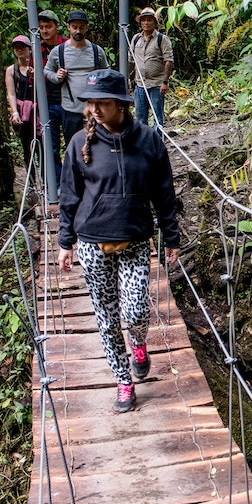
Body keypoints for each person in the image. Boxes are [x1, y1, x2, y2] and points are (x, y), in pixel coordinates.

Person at [57, 69, 181, 413]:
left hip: (136, 240)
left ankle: (139, 342)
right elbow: (69, 194)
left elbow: (164, 193)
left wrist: (171, 236)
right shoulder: (81, 142)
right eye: (91, 103)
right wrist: (65, 242)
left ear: (122, 105)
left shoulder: (148, 139)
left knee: (136, 309)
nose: (94, 109)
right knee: (107, 317)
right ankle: (123, 381)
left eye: (103, 103)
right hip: (93, 241)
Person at [44, 9, 110, 156]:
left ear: (86, 27)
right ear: (68, 27)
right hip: (70, 109)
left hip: (94, 109)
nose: (78, 31)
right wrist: (57, 76)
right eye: (74, 27)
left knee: (97, 145)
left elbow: (106, 71)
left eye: (81, 27)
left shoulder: (96, 51)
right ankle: (75, 176)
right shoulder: (58, 51)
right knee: (72, 146)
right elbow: (47, 70)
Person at [130, 7, 174, 128]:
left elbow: (169, 61)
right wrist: (128, 79)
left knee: (157, 117)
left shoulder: (162, 39)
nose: (146, 23)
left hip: (156, 85)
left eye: (149, 20)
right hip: (140, 85)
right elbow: (131, 60)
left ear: (155, 22)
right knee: (140, 117)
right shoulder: (136, 39)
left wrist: (165, 82)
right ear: (140, 22)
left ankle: (157, 142)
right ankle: (143, 143)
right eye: (143, 20)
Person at [37, 9, 68, 167]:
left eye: (48, 26)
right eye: (41, 27)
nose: (44, 31)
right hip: (47, 103)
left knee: (73, 143)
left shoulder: (69, 45)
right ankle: (56, 184)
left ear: (57, 26)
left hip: (70, 102)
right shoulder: (37, 49)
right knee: (51, 146)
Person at [4, 35, 39, 168]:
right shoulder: (11, 70)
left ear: (29, 49)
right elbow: (11, 93)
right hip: (23, 112)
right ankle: (31, 181)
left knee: (41, 144)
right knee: (26, 147)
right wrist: (15, 112)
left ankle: (45, 180)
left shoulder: (38, 67)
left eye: (22, 47)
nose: (19, 50)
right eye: (16, 47)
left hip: (38, 111)